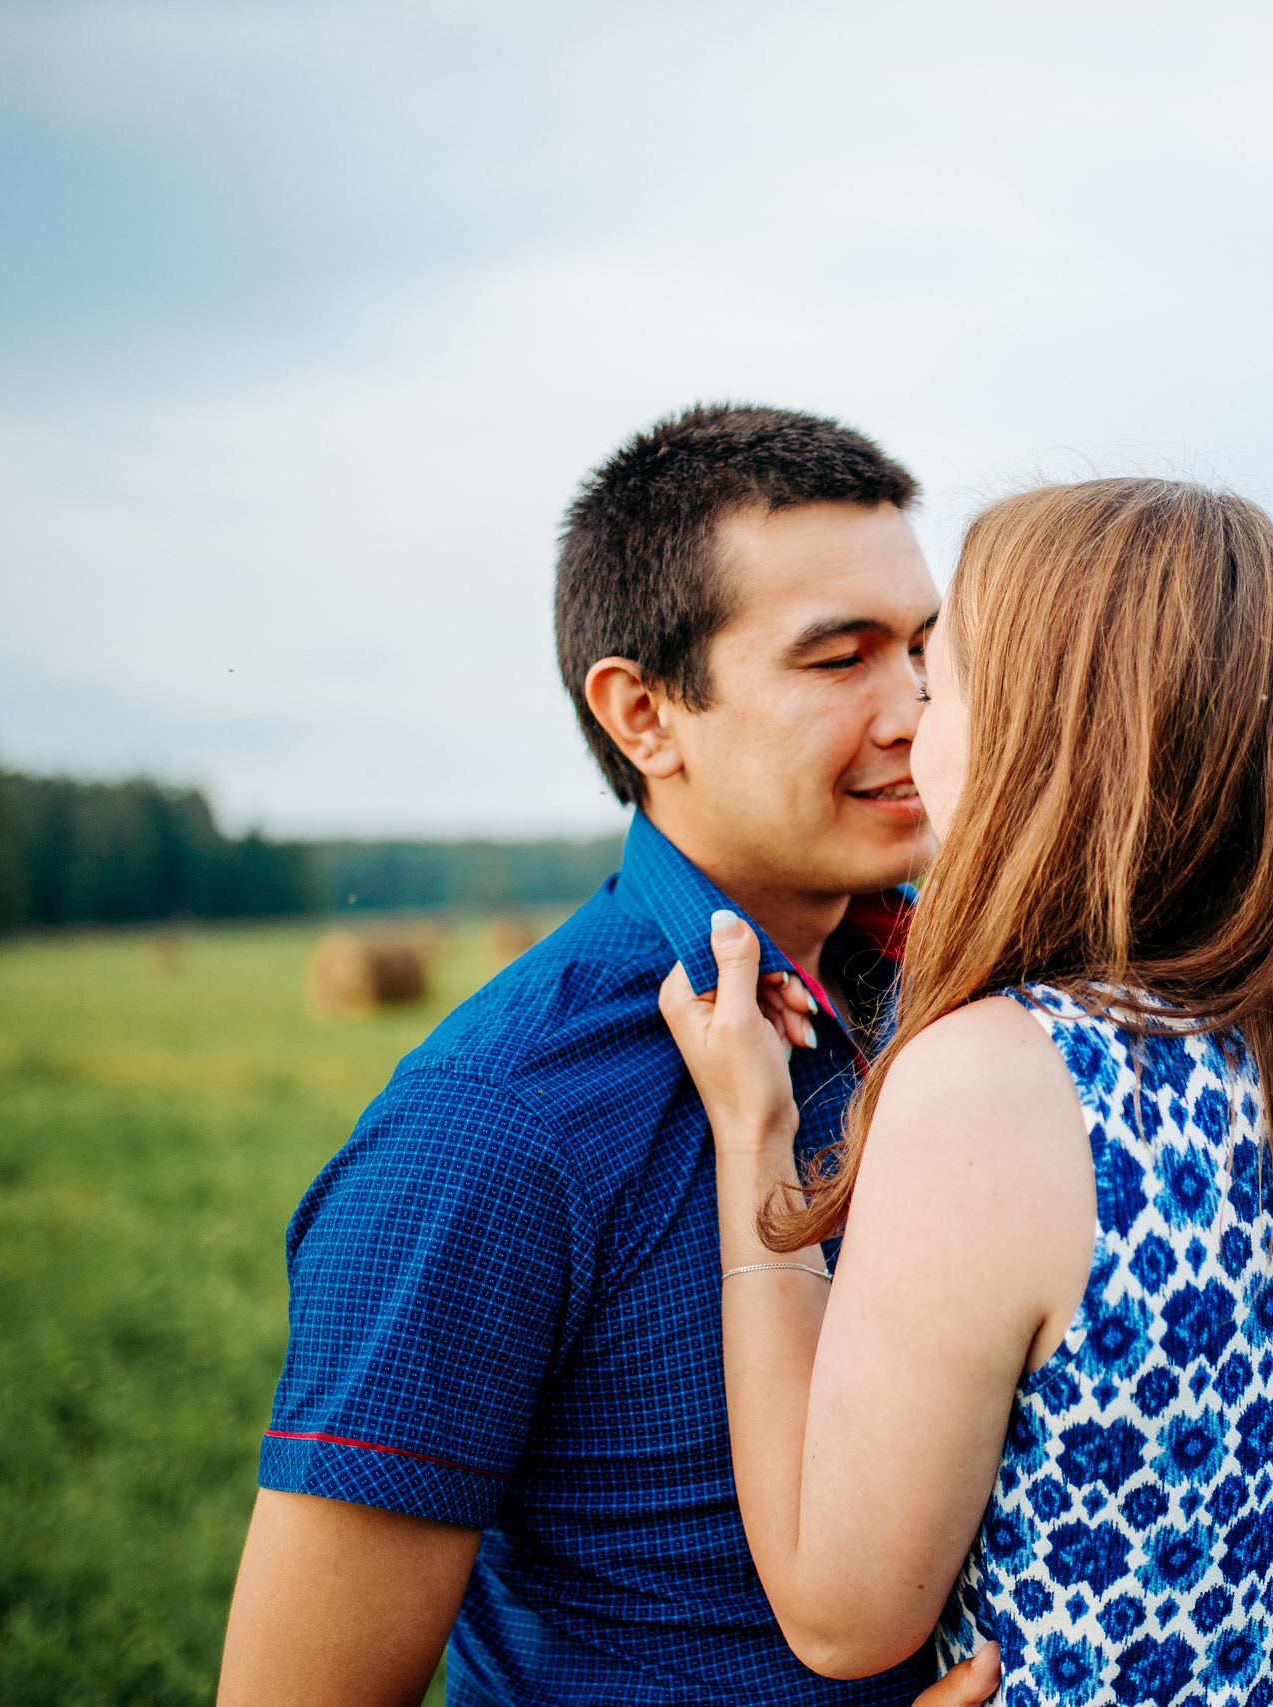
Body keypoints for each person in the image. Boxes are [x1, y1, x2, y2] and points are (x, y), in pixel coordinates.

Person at [218, 405, 1000, 1707]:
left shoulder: (969, 1009)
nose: (914, 706)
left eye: (924, 648)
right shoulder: (490, 1130)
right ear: (645, 713)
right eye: (839, 658)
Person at [659, 478, 1273, 1706]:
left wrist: (753, 1135)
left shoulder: (995, 1086)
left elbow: (840, 1613)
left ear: (1034, 736)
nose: (912, 723)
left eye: (942, 680)